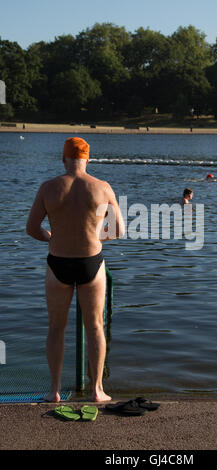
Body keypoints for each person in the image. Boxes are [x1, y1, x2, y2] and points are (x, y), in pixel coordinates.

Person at [26, 137, 125, 403]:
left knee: (56, 327)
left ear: (63, 158)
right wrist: (94, 237)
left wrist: (52, 237)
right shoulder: (102, 188)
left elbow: (32, 228)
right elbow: (118, 230)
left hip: (58, 262)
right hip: (90, 262)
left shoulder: (49, 187)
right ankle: (97, 391)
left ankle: (54, 391)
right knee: (95, 326)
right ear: (87, 159)